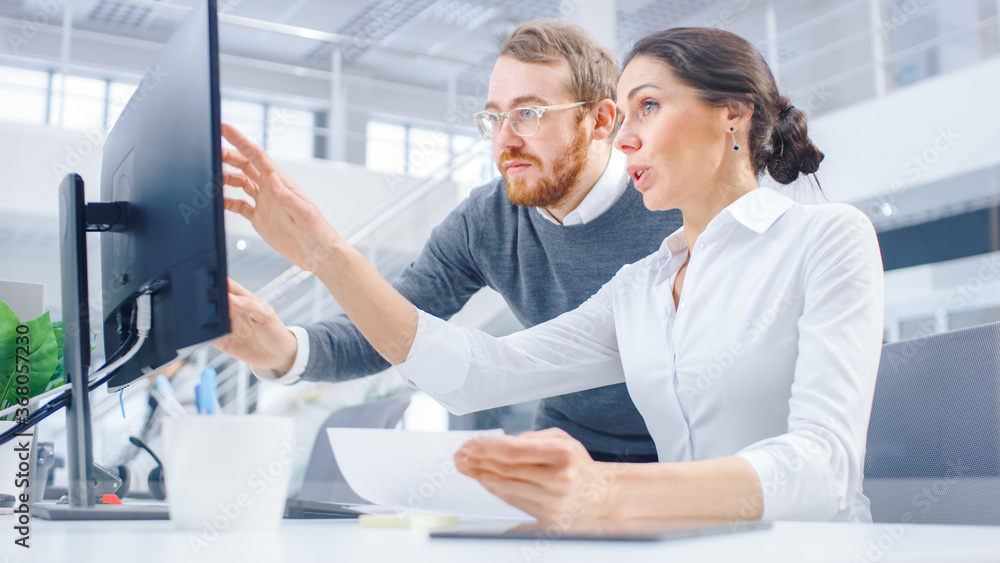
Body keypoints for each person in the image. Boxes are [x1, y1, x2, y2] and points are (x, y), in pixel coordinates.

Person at [220, 26, 884, 523]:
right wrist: (326, 255)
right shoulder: (644, 285)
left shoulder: (828, 238)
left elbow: (825, 468)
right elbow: (481, 373)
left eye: (647, 108)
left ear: (731, 113)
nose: (626, 137)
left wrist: (609, 492)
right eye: (626, 115)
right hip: (674, 536)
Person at [216, 19, 683, 463]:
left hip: (692, 453)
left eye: (527, 114)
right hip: (569, 453)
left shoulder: (675, 206)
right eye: (494, 118)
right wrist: (285, 349)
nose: (505, 139)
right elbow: (391, 320)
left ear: (601, 120)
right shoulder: (486, 221)